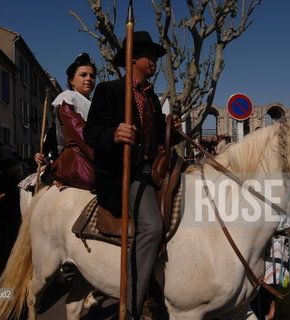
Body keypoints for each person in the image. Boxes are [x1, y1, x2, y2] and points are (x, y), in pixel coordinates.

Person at [84, 31, 181, 318]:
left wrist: (171, 130)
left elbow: (160, 142)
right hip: (125, 174)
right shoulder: (109, 90)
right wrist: (114, 134)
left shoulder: (151, 98)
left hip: (155, 170)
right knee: (151, 226)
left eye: (155, 57)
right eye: (150, 56)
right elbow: (91, 132)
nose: (154, 62)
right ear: (133, 59)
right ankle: (133, 307)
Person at [37, 53, 96, 189]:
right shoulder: (68, 99)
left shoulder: (91, 104)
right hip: (78, 161)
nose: (89, 79)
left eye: (92, 76)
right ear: (71, 80)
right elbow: (80, 135)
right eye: (83, 75)